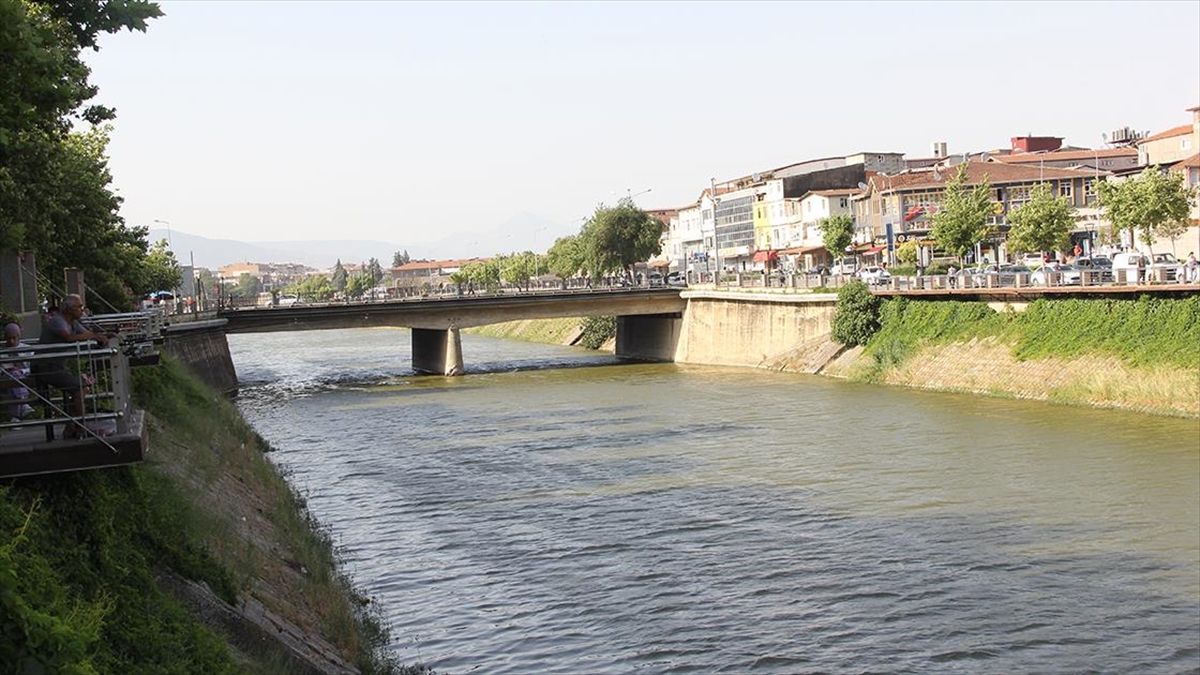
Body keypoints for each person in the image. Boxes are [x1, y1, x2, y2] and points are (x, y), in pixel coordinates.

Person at [35, 294, 109, 439]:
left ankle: (71, 426)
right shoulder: (58, 321)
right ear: (69, 309)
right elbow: (68, 338)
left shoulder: (73, 323)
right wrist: (93, 337)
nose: (82, 309)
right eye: (79, 307)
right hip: (45, 367)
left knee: (81, 387)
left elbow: (88, 334)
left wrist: (107, 335)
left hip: (57, 367)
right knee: (80, 388)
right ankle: (81, 427)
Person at [2, 323, 35, 422]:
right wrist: (6, 371)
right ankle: (23, 404)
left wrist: (21, 370)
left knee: (15, 377)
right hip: (5, 378)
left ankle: (15, 417)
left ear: (18, 336)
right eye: (8, 338)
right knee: (13, 376)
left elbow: (33, 368)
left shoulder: (28, 349)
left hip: (24, 378)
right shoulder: (1, 351)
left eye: (14, 338)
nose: (11, 341)